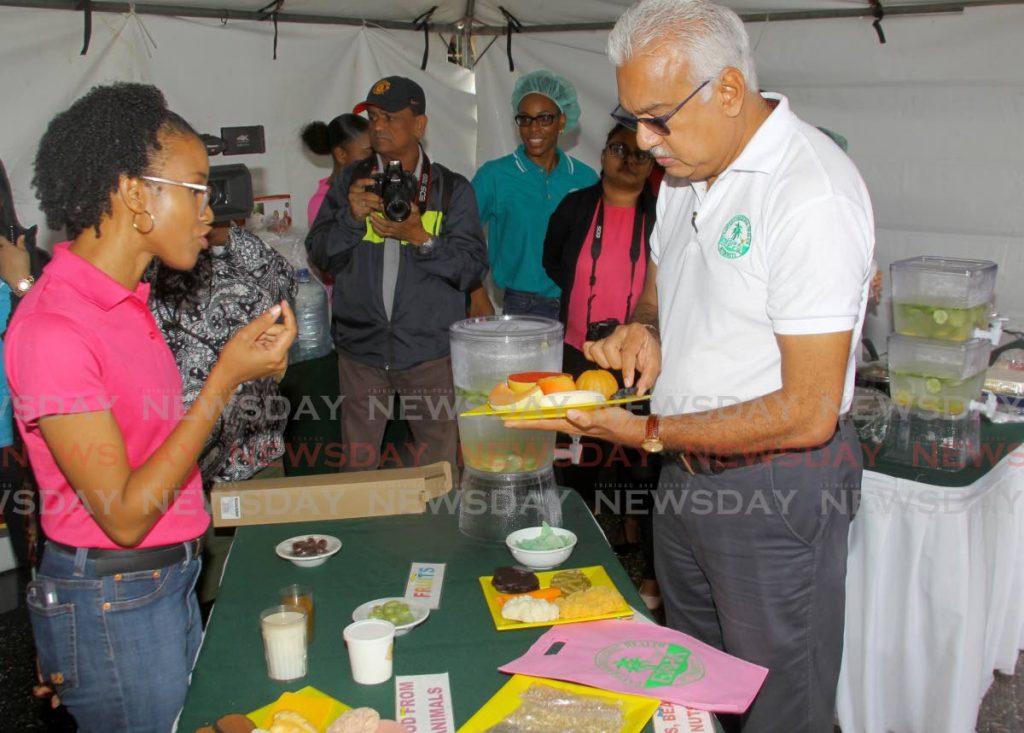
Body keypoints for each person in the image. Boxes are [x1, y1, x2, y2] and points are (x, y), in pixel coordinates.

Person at [512, 2, 874, 731]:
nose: (643, 142)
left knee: (780, 707)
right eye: (632, 118)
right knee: (695, 692)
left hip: (774, 487)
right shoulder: (684, 175)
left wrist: (643, 432)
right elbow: (661, 280)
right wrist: (644, 329)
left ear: (730, 92)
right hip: (684, 475)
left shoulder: (809, 194)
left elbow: (809, 409)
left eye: (658, 118)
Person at [6, 82, 295, 733]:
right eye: (195, 189)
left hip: (161, 582)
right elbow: (127, 513)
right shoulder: (55, 326)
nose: (208, 210)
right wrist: (224, 380)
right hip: (114, 599)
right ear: (134, 192)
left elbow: (156, 448)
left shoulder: (126, 303)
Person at [306, 76, 488, 472]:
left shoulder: (449, 189)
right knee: (358, 470)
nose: (378, 126)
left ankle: (438, 535)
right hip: (361, 352)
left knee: (438, 470)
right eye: (373, 117)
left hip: (429, 354)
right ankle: (361, 535)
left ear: (419, 125)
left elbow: (471, 267)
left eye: (390, 117)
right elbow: (320, 255)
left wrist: (421, 238)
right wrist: (351, 219)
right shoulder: (350, 183)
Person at [541, 123, 661, 607]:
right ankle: (581, 563)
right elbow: (554, 263)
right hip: (577, 353)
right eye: (618, 150)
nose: (628, 161)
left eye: (640, 155)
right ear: (603, 153)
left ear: (653, 163)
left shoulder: (662, 212)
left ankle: (652, 575)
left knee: (645, 469)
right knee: (579, 465)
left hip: (639, 360)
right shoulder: (574, 206)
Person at [472, 70, 598, 319]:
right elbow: (460, 234)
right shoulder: (495, 175)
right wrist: (475, 291)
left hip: (577, 301)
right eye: (525, 119)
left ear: (562, 121)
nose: (533, 128)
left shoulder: (585, 178)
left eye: (545, 119)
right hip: (522, 305)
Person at [302, 113, 371, 226]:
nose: (376, 157)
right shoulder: (322, 203)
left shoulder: (369, 188)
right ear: (341, 155)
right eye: (368, 151)